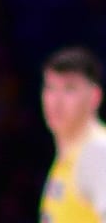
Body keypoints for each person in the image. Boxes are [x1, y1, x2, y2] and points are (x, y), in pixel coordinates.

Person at [40, 47, 106, 222]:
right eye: (50, 87)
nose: (56, 101)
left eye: (69, 89)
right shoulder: (70, 155)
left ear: (94, 97)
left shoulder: (97, 152)